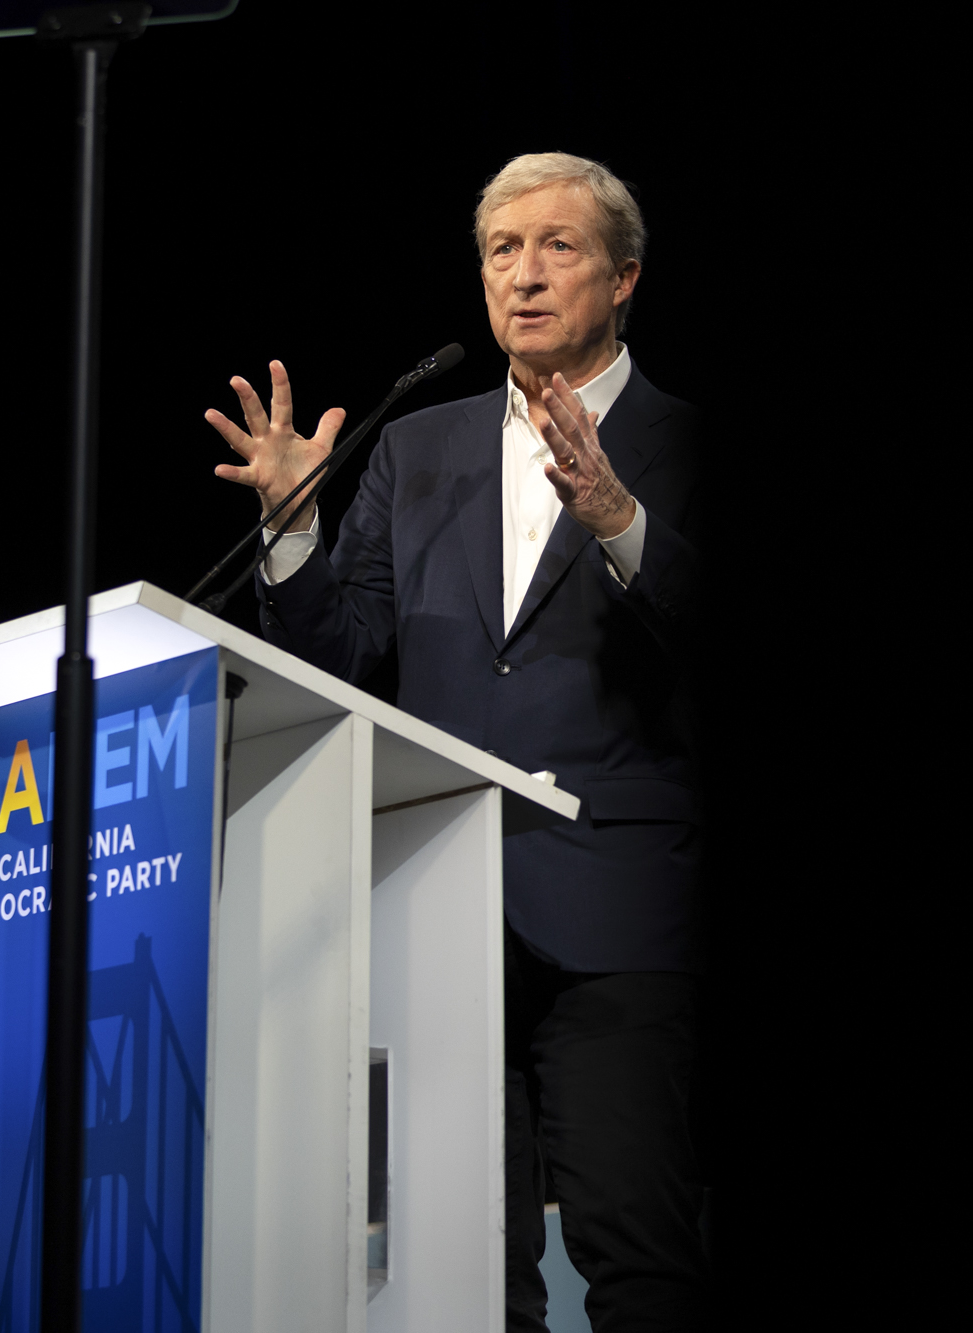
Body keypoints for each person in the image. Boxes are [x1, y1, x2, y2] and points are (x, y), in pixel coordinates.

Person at [206, 151, 704, 1331]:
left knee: (635, 1251)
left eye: (556, 247)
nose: (521, 275)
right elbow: (342, 653)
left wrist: (620, 520)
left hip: (618, 909)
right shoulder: (416, 448)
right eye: (499, 251)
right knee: (463, 1275)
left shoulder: (682, 442)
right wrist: (293, 532)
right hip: (442, 912)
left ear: (624, 277)